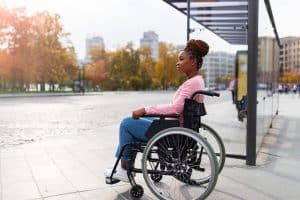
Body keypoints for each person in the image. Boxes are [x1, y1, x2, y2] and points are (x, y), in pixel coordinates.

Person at [104, 39, 209, 182]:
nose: (177, 63)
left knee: (126, 124)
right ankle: (124, 167)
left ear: (193, 61)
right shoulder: (197, 80)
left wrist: (146, 109)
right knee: (133, 121)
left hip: (172, 130)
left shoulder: (192, 83)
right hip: (176, 126)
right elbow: (178, 108)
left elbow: (175, 108)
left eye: (181, 59)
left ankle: (123, 169)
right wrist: (149, 111)